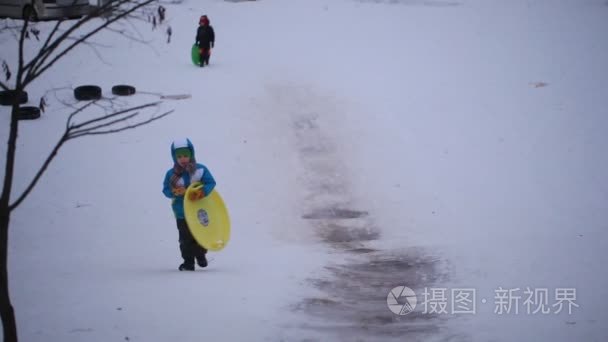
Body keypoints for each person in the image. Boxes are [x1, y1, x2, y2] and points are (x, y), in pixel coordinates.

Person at [162, 138, 216, 271]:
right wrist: (174, 192)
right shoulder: (171, 174)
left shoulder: (200, 170)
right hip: (181, 212)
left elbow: (211, 183)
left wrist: (202, 192)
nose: (183, 159)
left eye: (185, 155)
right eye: (179, 156)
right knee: (185, 239)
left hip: (200, 209)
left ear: (191, 154)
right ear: (174, 157)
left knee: (201, 235)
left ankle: (201, 255)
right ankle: (188, 262)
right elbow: (166, 189)